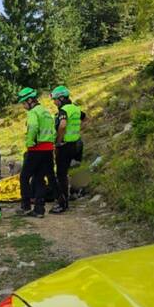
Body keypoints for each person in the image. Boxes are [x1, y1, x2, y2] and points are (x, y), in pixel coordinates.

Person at [17, 87, 56, 218]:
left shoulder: (33, 112)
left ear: (30, 100)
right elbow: (53, 131)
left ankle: (26, 206)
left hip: (36, 149)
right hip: (48, 149)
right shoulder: (46, 112)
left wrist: (29, 142)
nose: (23, 106)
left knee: (24, 177)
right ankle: (39, 210)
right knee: (39, 179)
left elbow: (33, 127)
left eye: (23, 102)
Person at [49, 85, 86, 214]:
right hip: (77, 143)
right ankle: (75, 193)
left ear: (61, 99)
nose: (54, 102)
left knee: (61, 174)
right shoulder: (76, 108)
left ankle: (63, 204)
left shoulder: (63, 110)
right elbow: (85, 118)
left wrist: (58, 141)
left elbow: (63, 125)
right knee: (75, 169)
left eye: (55, 100)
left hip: (65, 146)